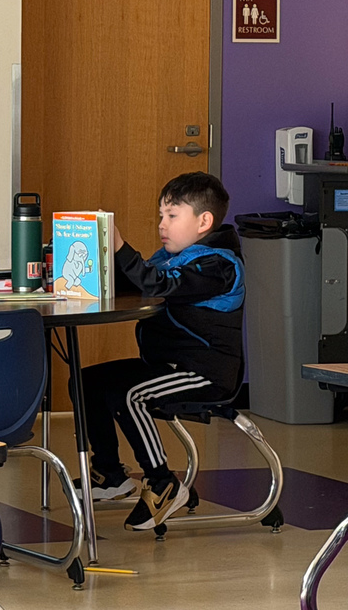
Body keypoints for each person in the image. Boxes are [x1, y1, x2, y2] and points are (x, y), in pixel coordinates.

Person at [78, 172, 244, 532]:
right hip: (168, 365)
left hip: (205, 373)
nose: (161, 225)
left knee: (129, 394)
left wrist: (120, 245)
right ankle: (110, 474)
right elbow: (140, 280)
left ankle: (162, 483)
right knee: (87, 381)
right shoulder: (174, 257)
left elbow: (158, 284)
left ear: (204, 221)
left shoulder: (218, 265)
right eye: (160, 216)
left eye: (172, 216)